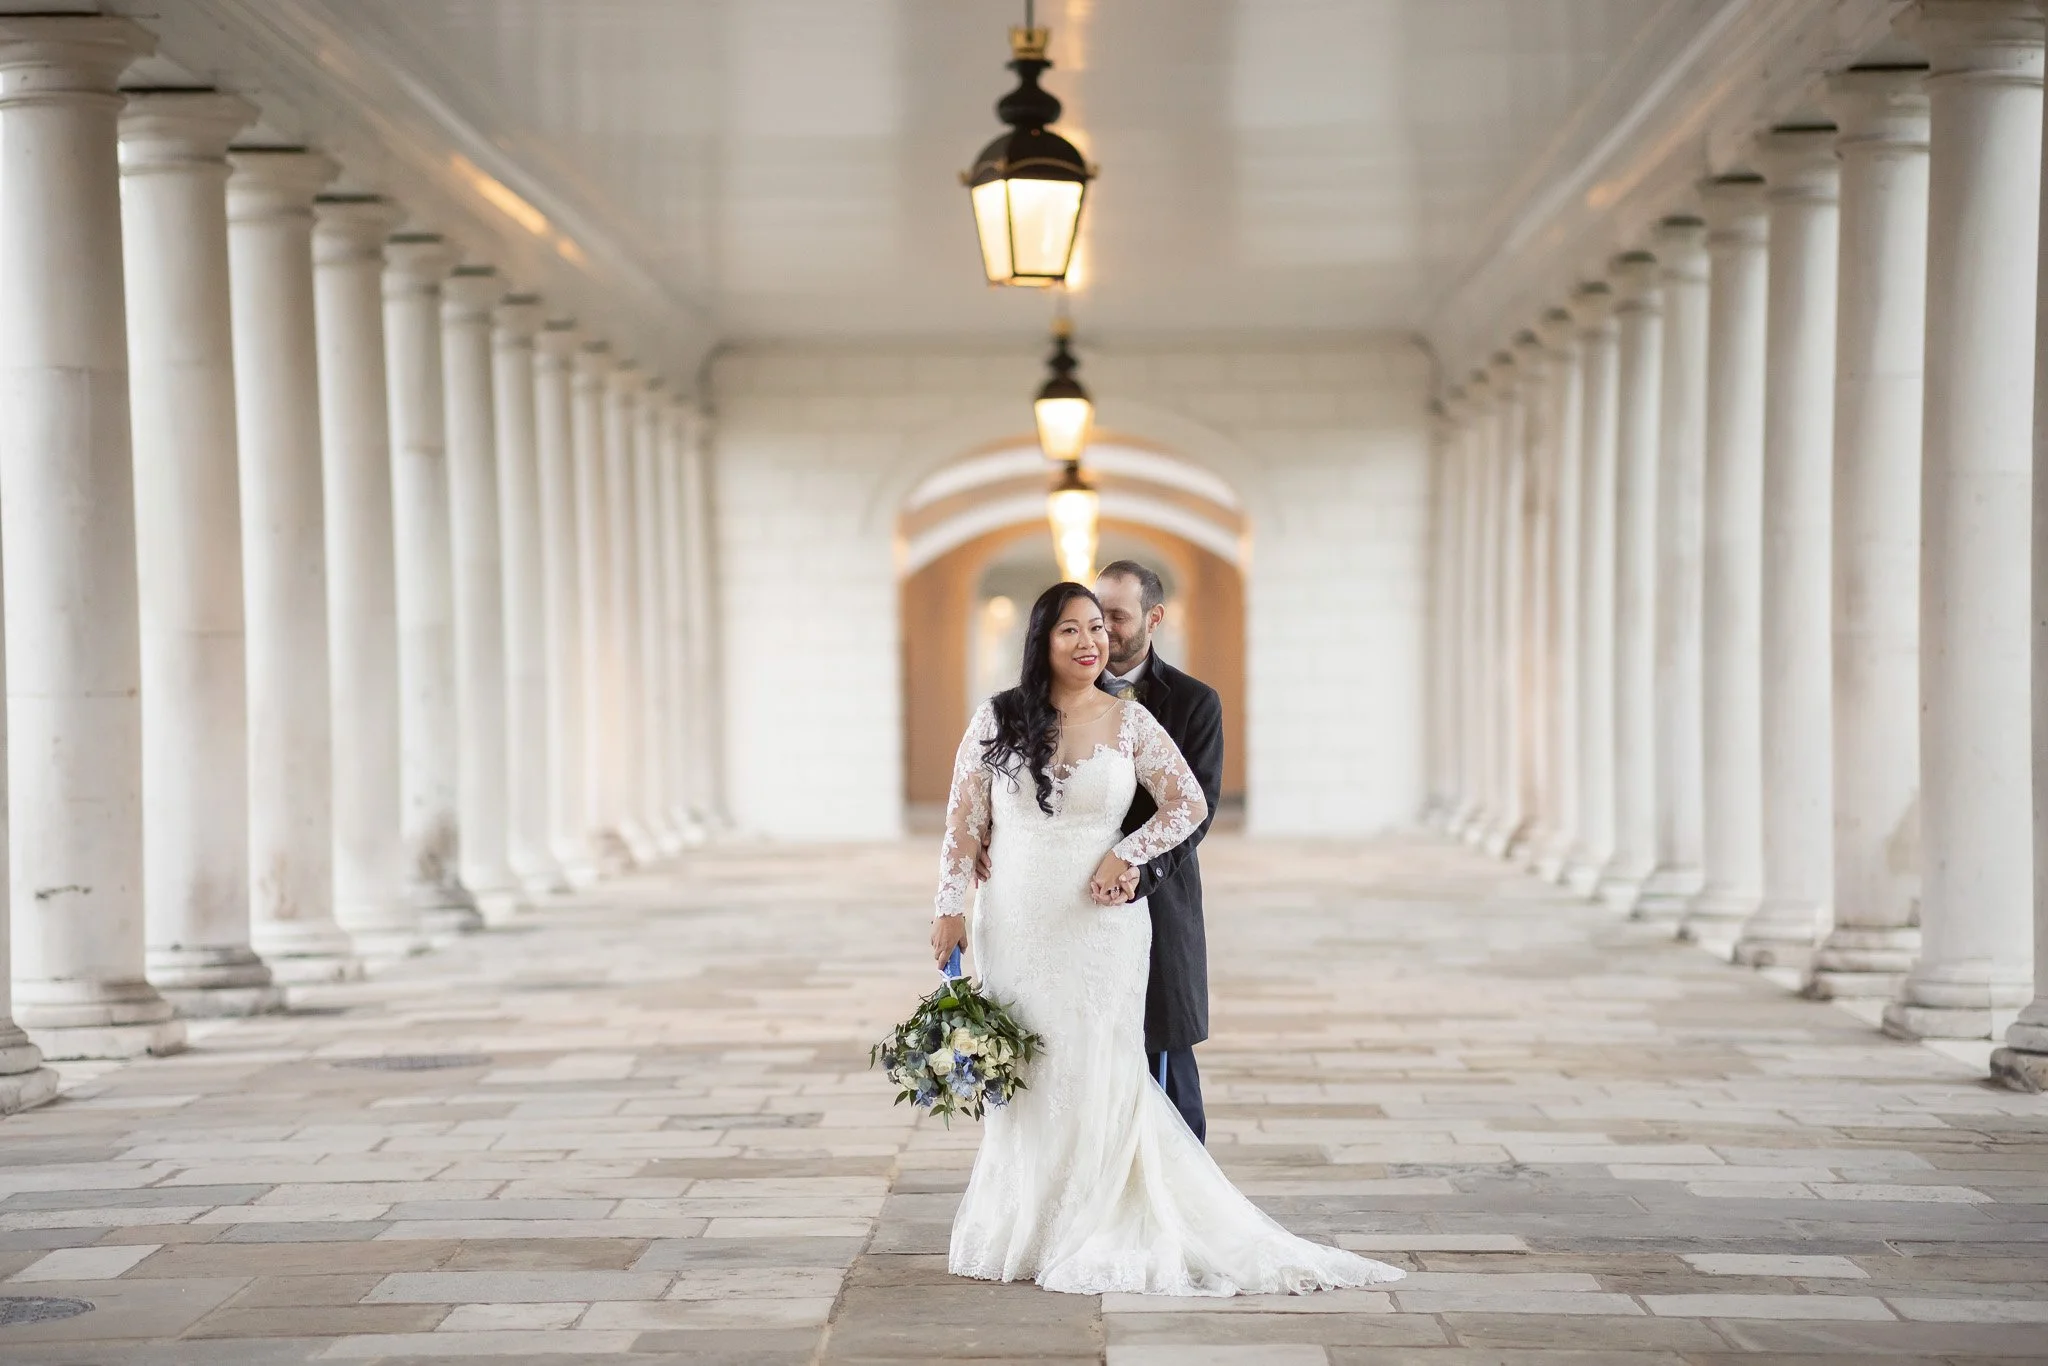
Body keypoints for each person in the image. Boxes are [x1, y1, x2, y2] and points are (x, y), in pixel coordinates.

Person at [928, 582, 1401, 1296]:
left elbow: (1189, 803)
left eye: (1097, 629)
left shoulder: (1132, 723)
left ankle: (1097, 1217)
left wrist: (1130, 853)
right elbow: (963, 818)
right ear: (1041, 642)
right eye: (1070, 631)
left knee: (1096, 1064)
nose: (1090, 643)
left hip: (1100, 926)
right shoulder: (996, 718)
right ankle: (1025, 1221)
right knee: (1025, 1069)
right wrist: (949, 906)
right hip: (1015, 921)